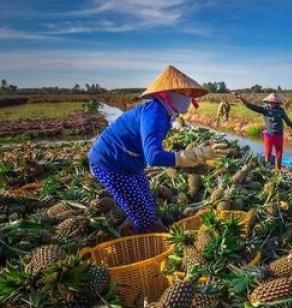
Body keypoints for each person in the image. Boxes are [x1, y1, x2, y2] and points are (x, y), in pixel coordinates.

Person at [88, 65, 229, 234]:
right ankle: (145, 245)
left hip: (130, 162)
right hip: (110, 164)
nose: (189, 99)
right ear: (168, 94)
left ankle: (152, 230)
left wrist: (196, 152)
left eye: (191, 94)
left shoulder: (161, 112)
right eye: (185, 94)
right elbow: (153, 156)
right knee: (144, 217)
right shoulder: (155, 114)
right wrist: (195, 155)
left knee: (148, 205)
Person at [232, 92, 292, 170]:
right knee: (268, 152)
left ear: (277, 103)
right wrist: (241, 98)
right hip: (268, 135)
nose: (273, 104)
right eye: (271, 102)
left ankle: (278, 170)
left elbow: (288, 121)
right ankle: (266, 169)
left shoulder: (281, 110)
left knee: (279, 153)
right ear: (268, 102)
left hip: (279, 135)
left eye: (275, 102)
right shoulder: (264, 109)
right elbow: (251, 106)